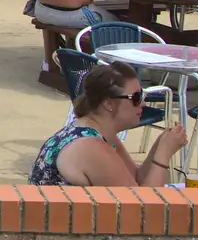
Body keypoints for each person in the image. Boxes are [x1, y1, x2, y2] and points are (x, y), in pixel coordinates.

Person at [29, 61, 188, 186]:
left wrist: (158, 147)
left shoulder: (98, 134)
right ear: (109, 104)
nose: (143, 104)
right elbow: (143, 211)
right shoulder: (91, 147)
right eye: (136, 97)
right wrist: (164, 154)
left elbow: (135, 178)